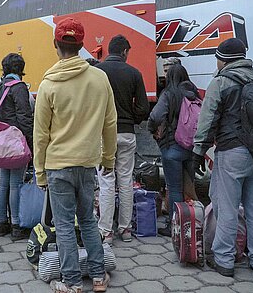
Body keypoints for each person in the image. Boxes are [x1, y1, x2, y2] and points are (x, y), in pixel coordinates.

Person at [33, 17, 117, 293]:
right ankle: (97, 277)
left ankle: (70, 282)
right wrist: (108, 159)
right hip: (88, 163)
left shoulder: (48, 84)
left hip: (57, 166)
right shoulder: (99, 77)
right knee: (89, 221)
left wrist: (40, 171)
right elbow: (110, 123)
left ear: (55, 44)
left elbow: (41, 134)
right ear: (82, 45)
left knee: (65, 225)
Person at [192, 38, 253, 279]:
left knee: (226, 208)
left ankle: (224, 261)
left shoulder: (221, 82)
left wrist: (198, 151)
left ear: (222, 59)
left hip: (232, 152)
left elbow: (206, 120)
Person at [96, 34, 149, 243]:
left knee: (106, 180)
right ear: (125, 52)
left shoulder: (97, 72)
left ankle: (106, 231)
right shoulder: (134, 73)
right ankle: (125, 229)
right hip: (127, 133)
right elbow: (143, 108)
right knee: (125, 179)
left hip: (103, 134)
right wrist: (130, 119)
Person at [147, 63, 200, 237]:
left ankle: (175, 226)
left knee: (175, 188)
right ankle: (193, 223)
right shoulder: (194, 94)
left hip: (173, 148)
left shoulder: (169, 94)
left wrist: (152, 129)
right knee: (189, 186)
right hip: (191, 148)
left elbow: (155, 116)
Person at [0, 53, 33, 241]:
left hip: (1, 140)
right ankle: (16, 225)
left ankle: (1, 224)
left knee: (3, 184)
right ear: (21, 68)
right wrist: (31, 141)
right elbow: (24, 116)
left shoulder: (0, 87)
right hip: (15, 140)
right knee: (16, 184)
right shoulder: (19, 87)